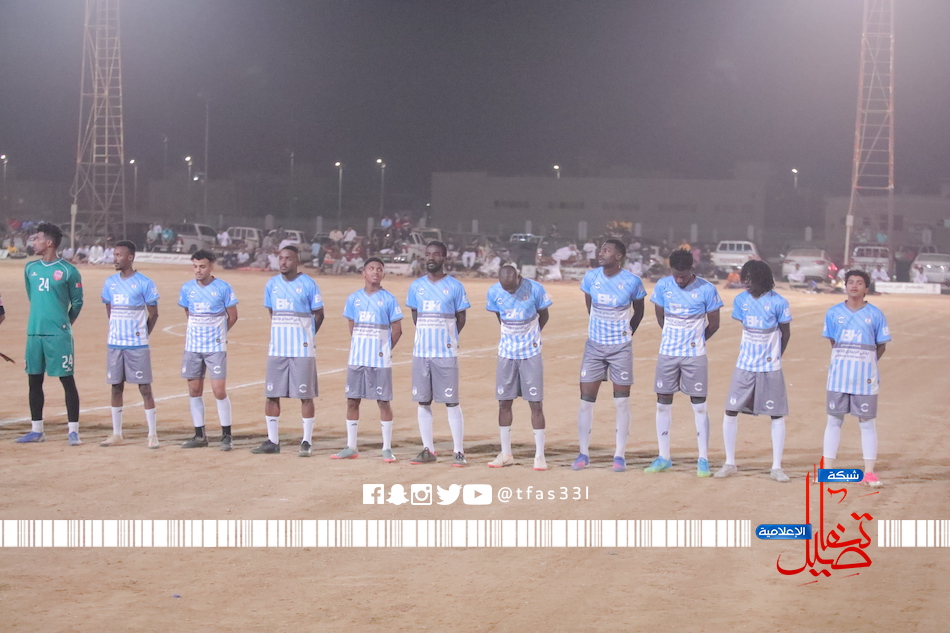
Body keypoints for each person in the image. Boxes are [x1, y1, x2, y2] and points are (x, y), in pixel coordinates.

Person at [646, 248, 723, 476]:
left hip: (694, 355)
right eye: (675, 275)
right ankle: (664, 457)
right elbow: (660, 316)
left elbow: (714, 324)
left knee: (699, 406)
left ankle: (703, 459)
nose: (679, 280)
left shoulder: (706, 289)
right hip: (667, 353)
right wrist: (673, 337)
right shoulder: (663, 286)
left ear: (692, 269)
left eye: (683, 276)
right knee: (662, 404)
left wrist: (697, 340)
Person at [571, 239, 646, 472]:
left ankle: (619, 455)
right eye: (601, 249)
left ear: (618, 256)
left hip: (620, 348)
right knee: (586, 401)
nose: (601, 253)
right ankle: (583, 454)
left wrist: (627, 332)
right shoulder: (591, 278)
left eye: (607, 250)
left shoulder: (632, 281)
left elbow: (639, 311)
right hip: (594, 347)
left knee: (621, 402)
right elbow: (590, 305)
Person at [714, 260, 791, 482]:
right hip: (745, 365)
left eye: (750, 279)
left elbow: (785, 333)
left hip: (770, 367)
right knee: (730, 410)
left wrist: (776, 356)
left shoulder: (778, 302)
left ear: (762, 279)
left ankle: (776, 467)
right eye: (744, 278)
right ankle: (729, 463)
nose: (746, 282)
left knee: (776, 414)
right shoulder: (741, 300)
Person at [821, 270, 890, 487]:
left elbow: (881, 345)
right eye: (850, 282)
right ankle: (827, 471)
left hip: (865, 379)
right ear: (845, 286)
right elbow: (833, 341)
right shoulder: (833, 313)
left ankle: (869, 473)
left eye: (859, 283)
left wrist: (866, 363)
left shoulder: (875, 314)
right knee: (834, 421)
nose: (854, 286)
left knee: (867, 423)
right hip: (838, 377)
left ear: (866, 288)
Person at [253, 245, 325, 455]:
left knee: (305, 395)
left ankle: (306, 441)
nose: (283, 262)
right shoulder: (272, 284)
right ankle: (272, 441)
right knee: (272, 394)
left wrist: (308, 335)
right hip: (277, 349)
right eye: (281, 258)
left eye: (288, 258)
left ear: (297, 261)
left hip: (302, 350)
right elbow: (272, 312)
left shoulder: (308, 284)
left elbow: (319, 313)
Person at [18, 222, 84, 445]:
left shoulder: (68, 271)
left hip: (58, 335)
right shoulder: (30, 269)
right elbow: (32, 296)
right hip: (35, 333)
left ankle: (73, 431)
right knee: (34, 381)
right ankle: (37, 430)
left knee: (67, 380)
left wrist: (64, 322)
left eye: (37, 239)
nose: (34, 242)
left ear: (48, 242)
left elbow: (77, 302)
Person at [406, 241, 471, 466]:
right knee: (423, 401)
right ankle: (428, 450)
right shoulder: (416, 286)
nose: (431, 258)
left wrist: (447, 337)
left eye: (435, 254)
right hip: (421, 352)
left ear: (444, 257)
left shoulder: (455, 286)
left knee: (451, 401)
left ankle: (458, 451)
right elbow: (415, 315)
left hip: (445, 352)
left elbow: (461, 318)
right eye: (428, 254)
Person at [334, 258, 403, 461]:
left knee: (383, 401)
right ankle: (351, 446)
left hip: (380, 361)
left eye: (379, 269)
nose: (375, 272)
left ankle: (387, 448)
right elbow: (352, 327)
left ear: (383, 274)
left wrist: (384, 350)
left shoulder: (389, 299)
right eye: (371, 268)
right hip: (357, 359)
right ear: (363, 273)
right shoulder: (353, 299)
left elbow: (397, 330)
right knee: (352, 401)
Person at [486, 265, 552, 470]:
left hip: (530, 353)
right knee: (504, 403)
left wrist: (532, 336)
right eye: (505, 288)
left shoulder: (535, 289)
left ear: (518, 278)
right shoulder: (494, 292)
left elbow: (544, 315)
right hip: (506, 353)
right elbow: (500, 317)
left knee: (535, 403)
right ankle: (506, 453)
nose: (509, 291)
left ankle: (539, 455)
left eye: (512, 287)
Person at [100, 241, 161, 448]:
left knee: (145, 388)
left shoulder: (145, 283)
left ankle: (152, 434)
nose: (115, 258)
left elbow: (154, 314)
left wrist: (143, 333)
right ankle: (117, 434)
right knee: (116, 387)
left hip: (137, 345)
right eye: (114, 255)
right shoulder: (110, 283)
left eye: (119, 255)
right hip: (115, 344)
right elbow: (109, 310)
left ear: (130, 257)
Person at [178, 250, 239, 450]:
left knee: (219, 391)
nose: (198, 270)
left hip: (215, 347)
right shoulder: (187, 288)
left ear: (211, 267)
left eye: (202, 266)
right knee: (194, 390)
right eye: (195, 266)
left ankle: (226, 435)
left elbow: (233, 315)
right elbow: (188, 312)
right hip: (193, 346)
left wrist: (220, 333)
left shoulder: (223, 288)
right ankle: (199, 435)